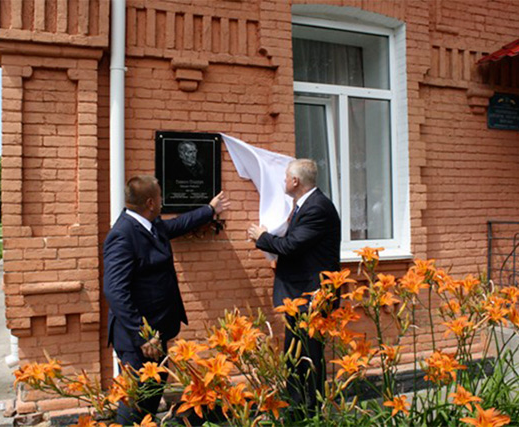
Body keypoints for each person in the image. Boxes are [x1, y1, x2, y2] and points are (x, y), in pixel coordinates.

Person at [103, 175, 229, 425]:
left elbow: (178, 225)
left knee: (151, 396)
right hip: (138, 340)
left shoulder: (151, 224)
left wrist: (210, 209)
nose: (162, 201)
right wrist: (142, 335)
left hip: (157, 331)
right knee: (136, 401)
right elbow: (115, 291)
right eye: (160, 197)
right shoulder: (123, 235)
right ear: (151, 202)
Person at [247, 158, 341, 413]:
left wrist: (262, 237)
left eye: (286, 177)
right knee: (295, 354)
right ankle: (298, 407)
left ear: (296, 181)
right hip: (299, 295)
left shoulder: (317, 208)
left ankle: (311, 410)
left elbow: (291, 246)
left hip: (311, 296)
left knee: (308, 356)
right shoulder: (305, 205)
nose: (284, 181)